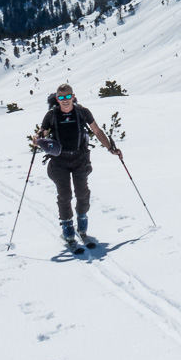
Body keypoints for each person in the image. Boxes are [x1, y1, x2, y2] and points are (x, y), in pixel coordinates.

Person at [35, 83, 121, 243]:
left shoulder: (82, 112)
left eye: (68, 96)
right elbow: (43, 133)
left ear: (73, 96)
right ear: (57, 99)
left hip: (80, 158)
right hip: (59, 161)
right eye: (61, 97)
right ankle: (67, 227)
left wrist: (110, 148)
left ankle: (82, 223)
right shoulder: (51, 115)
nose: (65, 100)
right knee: (65, 195)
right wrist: (38, 140)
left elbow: (97, 130)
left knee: (82, 193)